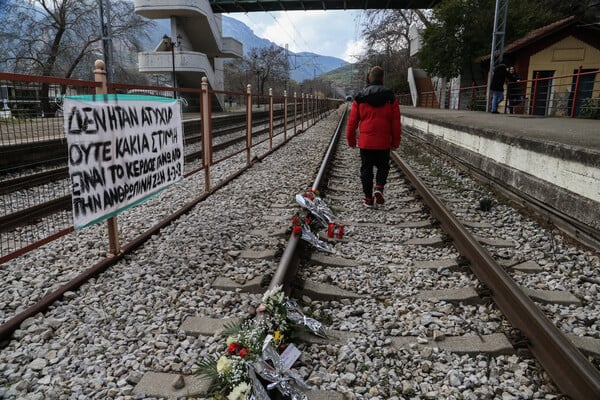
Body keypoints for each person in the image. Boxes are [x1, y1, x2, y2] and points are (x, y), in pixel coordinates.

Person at [346, 66, 401, 208]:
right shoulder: (391, 97)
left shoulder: (360, 97)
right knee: (383, 166)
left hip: (366, 142)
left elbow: (352, 123)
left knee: (366, 169)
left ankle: (368, 199)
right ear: (382, 78)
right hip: (383, 142)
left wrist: (351, 140)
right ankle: (379, 187)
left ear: (369, 78)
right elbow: (396, 123)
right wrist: (395, 141)